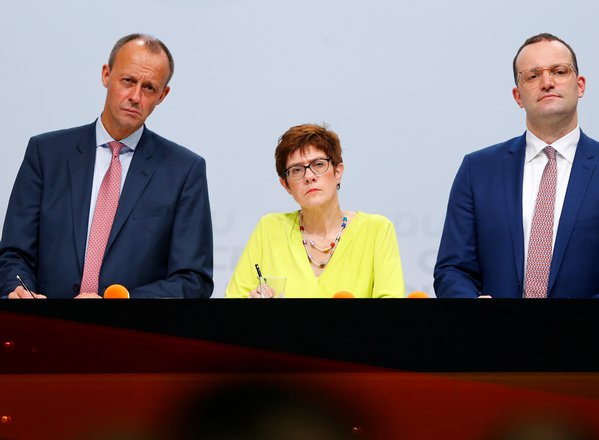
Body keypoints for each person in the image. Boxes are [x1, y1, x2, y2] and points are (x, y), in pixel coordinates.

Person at [434, 33, 599, 298]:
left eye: (559, 71)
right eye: (532, 75)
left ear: (580, 85)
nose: (547, 82)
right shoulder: (478, 171)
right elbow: (452, 269)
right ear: (518, 96)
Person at [0, 34, 213, 299]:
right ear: (106, 75)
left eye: (149, 88)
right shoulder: (46, 153)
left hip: (129, 335)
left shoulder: (184, 171)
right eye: (128, 81)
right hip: (46, 328)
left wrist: (119, 304)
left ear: (163, 95)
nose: (135, 96)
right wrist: (19, 289)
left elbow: (193, 280)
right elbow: (14, 253)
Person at [226, 124, 404, 298]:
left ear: (338, 171)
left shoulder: (377, 230)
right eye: (296, 170)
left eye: (318, 165)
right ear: (285, 184)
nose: (309, 176)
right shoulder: (269, 228)